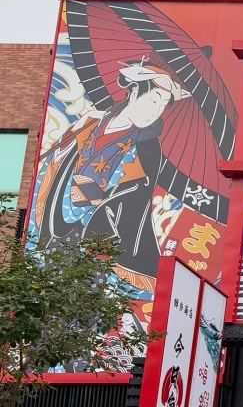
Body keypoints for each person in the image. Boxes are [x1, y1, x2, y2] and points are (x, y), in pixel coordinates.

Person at [35, 59, 188, 290]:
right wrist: (70, 139)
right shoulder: (91, 120)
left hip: (98, 230)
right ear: (134, 93)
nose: (156, 111)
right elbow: (58, 163)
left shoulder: (148, 147)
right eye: (154, 100)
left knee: (86, 292)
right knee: (49, 288)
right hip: (60, 216)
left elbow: (137, 196)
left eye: (163, 105)